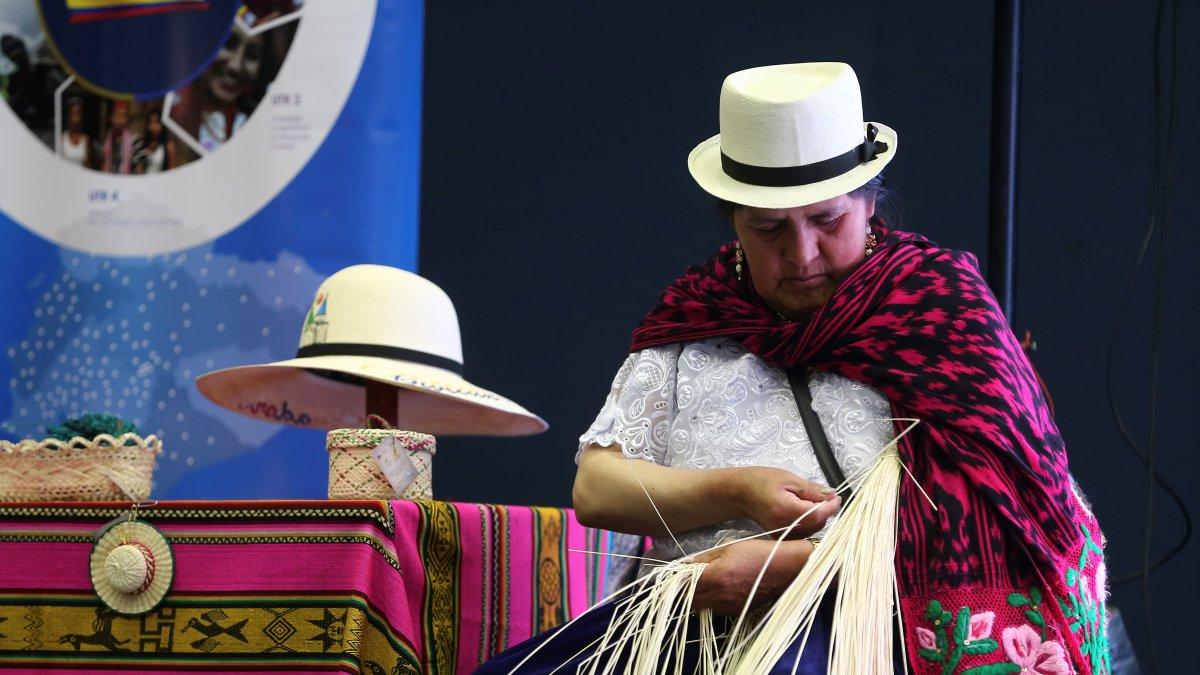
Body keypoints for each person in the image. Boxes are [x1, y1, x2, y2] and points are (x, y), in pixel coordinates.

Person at [476, 63, 1109, 674]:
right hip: (683, 634)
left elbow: (1009, 521)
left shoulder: (942, 318)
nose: (802, 254)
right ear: (733, 222)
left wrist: (793, 570)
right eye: (769, 230)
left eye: (827, 220)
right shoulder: (695, 322)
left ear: (869, 204)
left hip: (871, 635)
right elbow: (596, 488)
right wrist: (735, 490)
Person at [169, 8, 297, 152]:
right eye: (228, 44)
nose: (236, 66)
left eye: (252, 55)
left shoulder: (252, 130)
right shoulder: (164, 107)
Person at [98, 101, 142, 174]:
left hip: (126, 182)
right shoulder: (105, 140)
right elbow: (101, 165)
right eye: (117, 116)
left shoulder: (134, 140)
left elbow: (139, 169)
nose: (119, 120)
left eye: (123, 116)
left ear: (127, 119)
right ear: (111, 118)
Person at [134, 109, 174, 173]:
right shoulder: (141, 144)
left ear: (162, 125)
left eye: (156, 123)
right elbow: (138, 169)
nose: (152, 127)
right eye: (150, 122)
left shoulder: (168, 146)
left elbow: (171, 172)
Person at [59, 97, 91, 168]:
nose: (77, 118)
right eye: (74, 113)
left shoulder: (85, 139)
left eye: (79, 113)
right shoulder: (62, 139)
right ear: (68, 116)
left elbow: (87, 165)